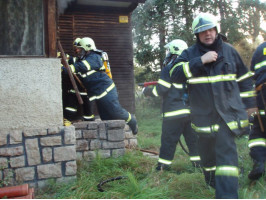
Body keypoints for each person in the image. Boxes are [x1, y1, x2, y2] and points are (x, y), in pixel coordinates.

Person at [169, 13, 257, 198]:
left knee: (226, 156)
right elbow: (175, 74)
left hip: (227, 115)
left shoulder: (229, 51)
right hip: (203, 117)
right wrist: (199, 61)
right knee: (207, 156)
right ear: (197, 35)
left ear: (216, 30)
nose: (207, 34)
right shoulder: (189, 54)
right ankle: (211, 180)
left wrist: (250, 105)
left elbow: (244, 79)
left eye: (210, 30)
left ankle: (226, 195)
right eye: (202, 32)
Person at [143, 39, 200, 171]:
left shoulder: (170, 68)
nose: (167, 54)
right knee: (193, 141)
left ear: (174, 50)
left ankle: (162, 168)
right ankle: (199, 166)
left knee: (168, 142)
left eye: (169, 50)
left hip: (173, 114)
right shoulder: (190, 68)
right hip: (191, 113)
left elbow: (161, 89)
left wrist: (148, 91)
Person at [63, 37, 138, 134]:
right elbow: (74, 61)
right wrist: (63, 58)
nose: (77, 51)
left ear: (87, 48)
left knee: (115, 112)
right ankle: (112, 140)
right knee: (105, 117)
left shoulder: (94, 57)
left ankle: (132, 120)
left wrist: (65, 69)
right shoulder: (85, 58)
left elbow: (81, 66)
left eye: (80, 49)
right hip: (98, 94)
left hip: (106, 91)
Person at [61, 38, 95, 122]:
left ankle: (90, 124)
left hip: (87, 89)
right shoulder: (78, 59)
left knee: (88, 111)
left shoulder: (90, 59)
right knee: (70, 107)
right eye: (75, 48)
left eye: (78, 48)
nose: (76, 50)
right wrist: (62, 56)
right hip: (76, 88)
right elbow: (70, 59)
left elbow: (76, 64)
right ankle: (67, 120)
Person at [248, 41, 266, 180]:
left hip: (262, 94)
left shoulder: (260, 49)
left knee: (258, 130)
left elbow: (252, 75)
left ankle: (259, 162)